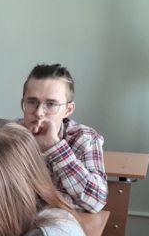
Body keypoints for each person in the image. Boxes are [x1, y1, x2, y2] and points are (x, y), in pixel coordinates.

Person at [20, 63, 107, 213]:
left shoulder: (85, 138)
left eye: (51, 104)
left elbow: (96, 202)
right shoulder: (11, 134)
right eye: (32, 102)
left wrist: (56, 147)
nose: (39, 112)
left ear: (68, 109)